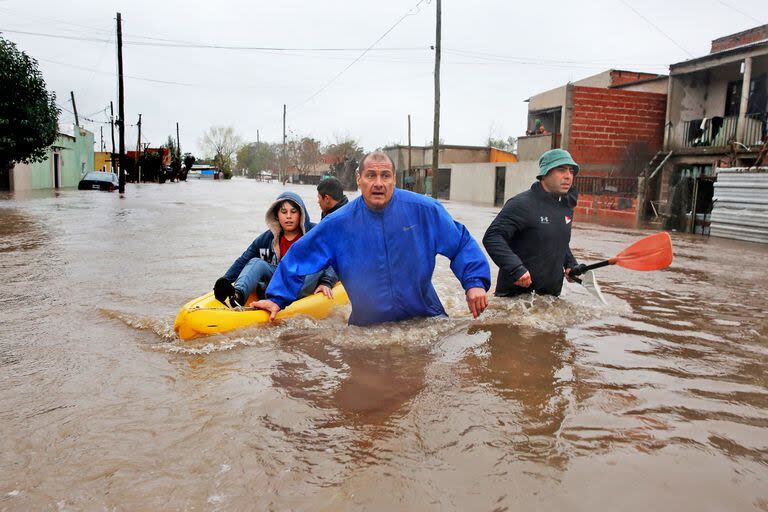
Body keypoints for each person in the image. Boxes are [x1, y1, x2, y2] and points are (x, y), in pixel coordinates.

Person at [251, 151, 491, 325]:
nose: (378, 183)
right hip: (367, 328)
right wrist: (276, 299)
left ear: (394, 179)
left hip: (425, 320)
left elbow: (460, 243)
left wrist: (475, 283)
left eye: (385, 176)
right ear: (359, 180)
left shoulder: (424, 211)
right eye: (371, 175)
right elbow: (299, 257)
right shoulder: (338, 224)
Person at [482, 148, 584, 298]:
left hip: (550, 302)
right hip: (515, 301)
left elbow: (556, 240)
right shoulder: (521, 204)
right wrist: (516, 268)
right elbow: (492, 237)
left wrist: (570, 265)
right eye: (561, 170)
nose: (568, 176)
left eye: (571, 171)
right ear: (545, 173)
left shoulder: (565, 208)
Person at [213, 191, 336, 308]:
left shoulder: (315, 233)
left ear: (301, 214)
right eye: (283, 212)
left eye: (293, 212)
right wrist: (225, 281)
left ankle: (276, 301)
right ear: (277, 215)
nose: (288, 216)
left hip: (304, 280)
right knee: (257, 262)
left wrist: (326, 282)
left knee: (317, 266)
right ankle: (238, 296)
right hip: (278, 280)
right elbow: (243, 260)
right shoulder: (266, 238)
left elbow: (337, 255)